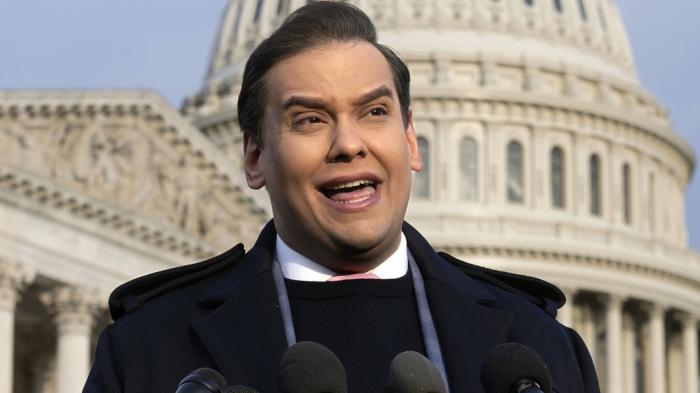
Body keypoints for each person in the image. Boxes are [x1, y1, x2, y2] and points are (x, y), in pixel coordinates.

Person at [84, 2, 600, 392]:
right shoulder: (147, 351)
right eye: (309, 120)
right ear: (254, 157)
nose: (349, 144)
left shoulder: (542, 351)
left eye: (374, 112)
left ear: (411, 140)